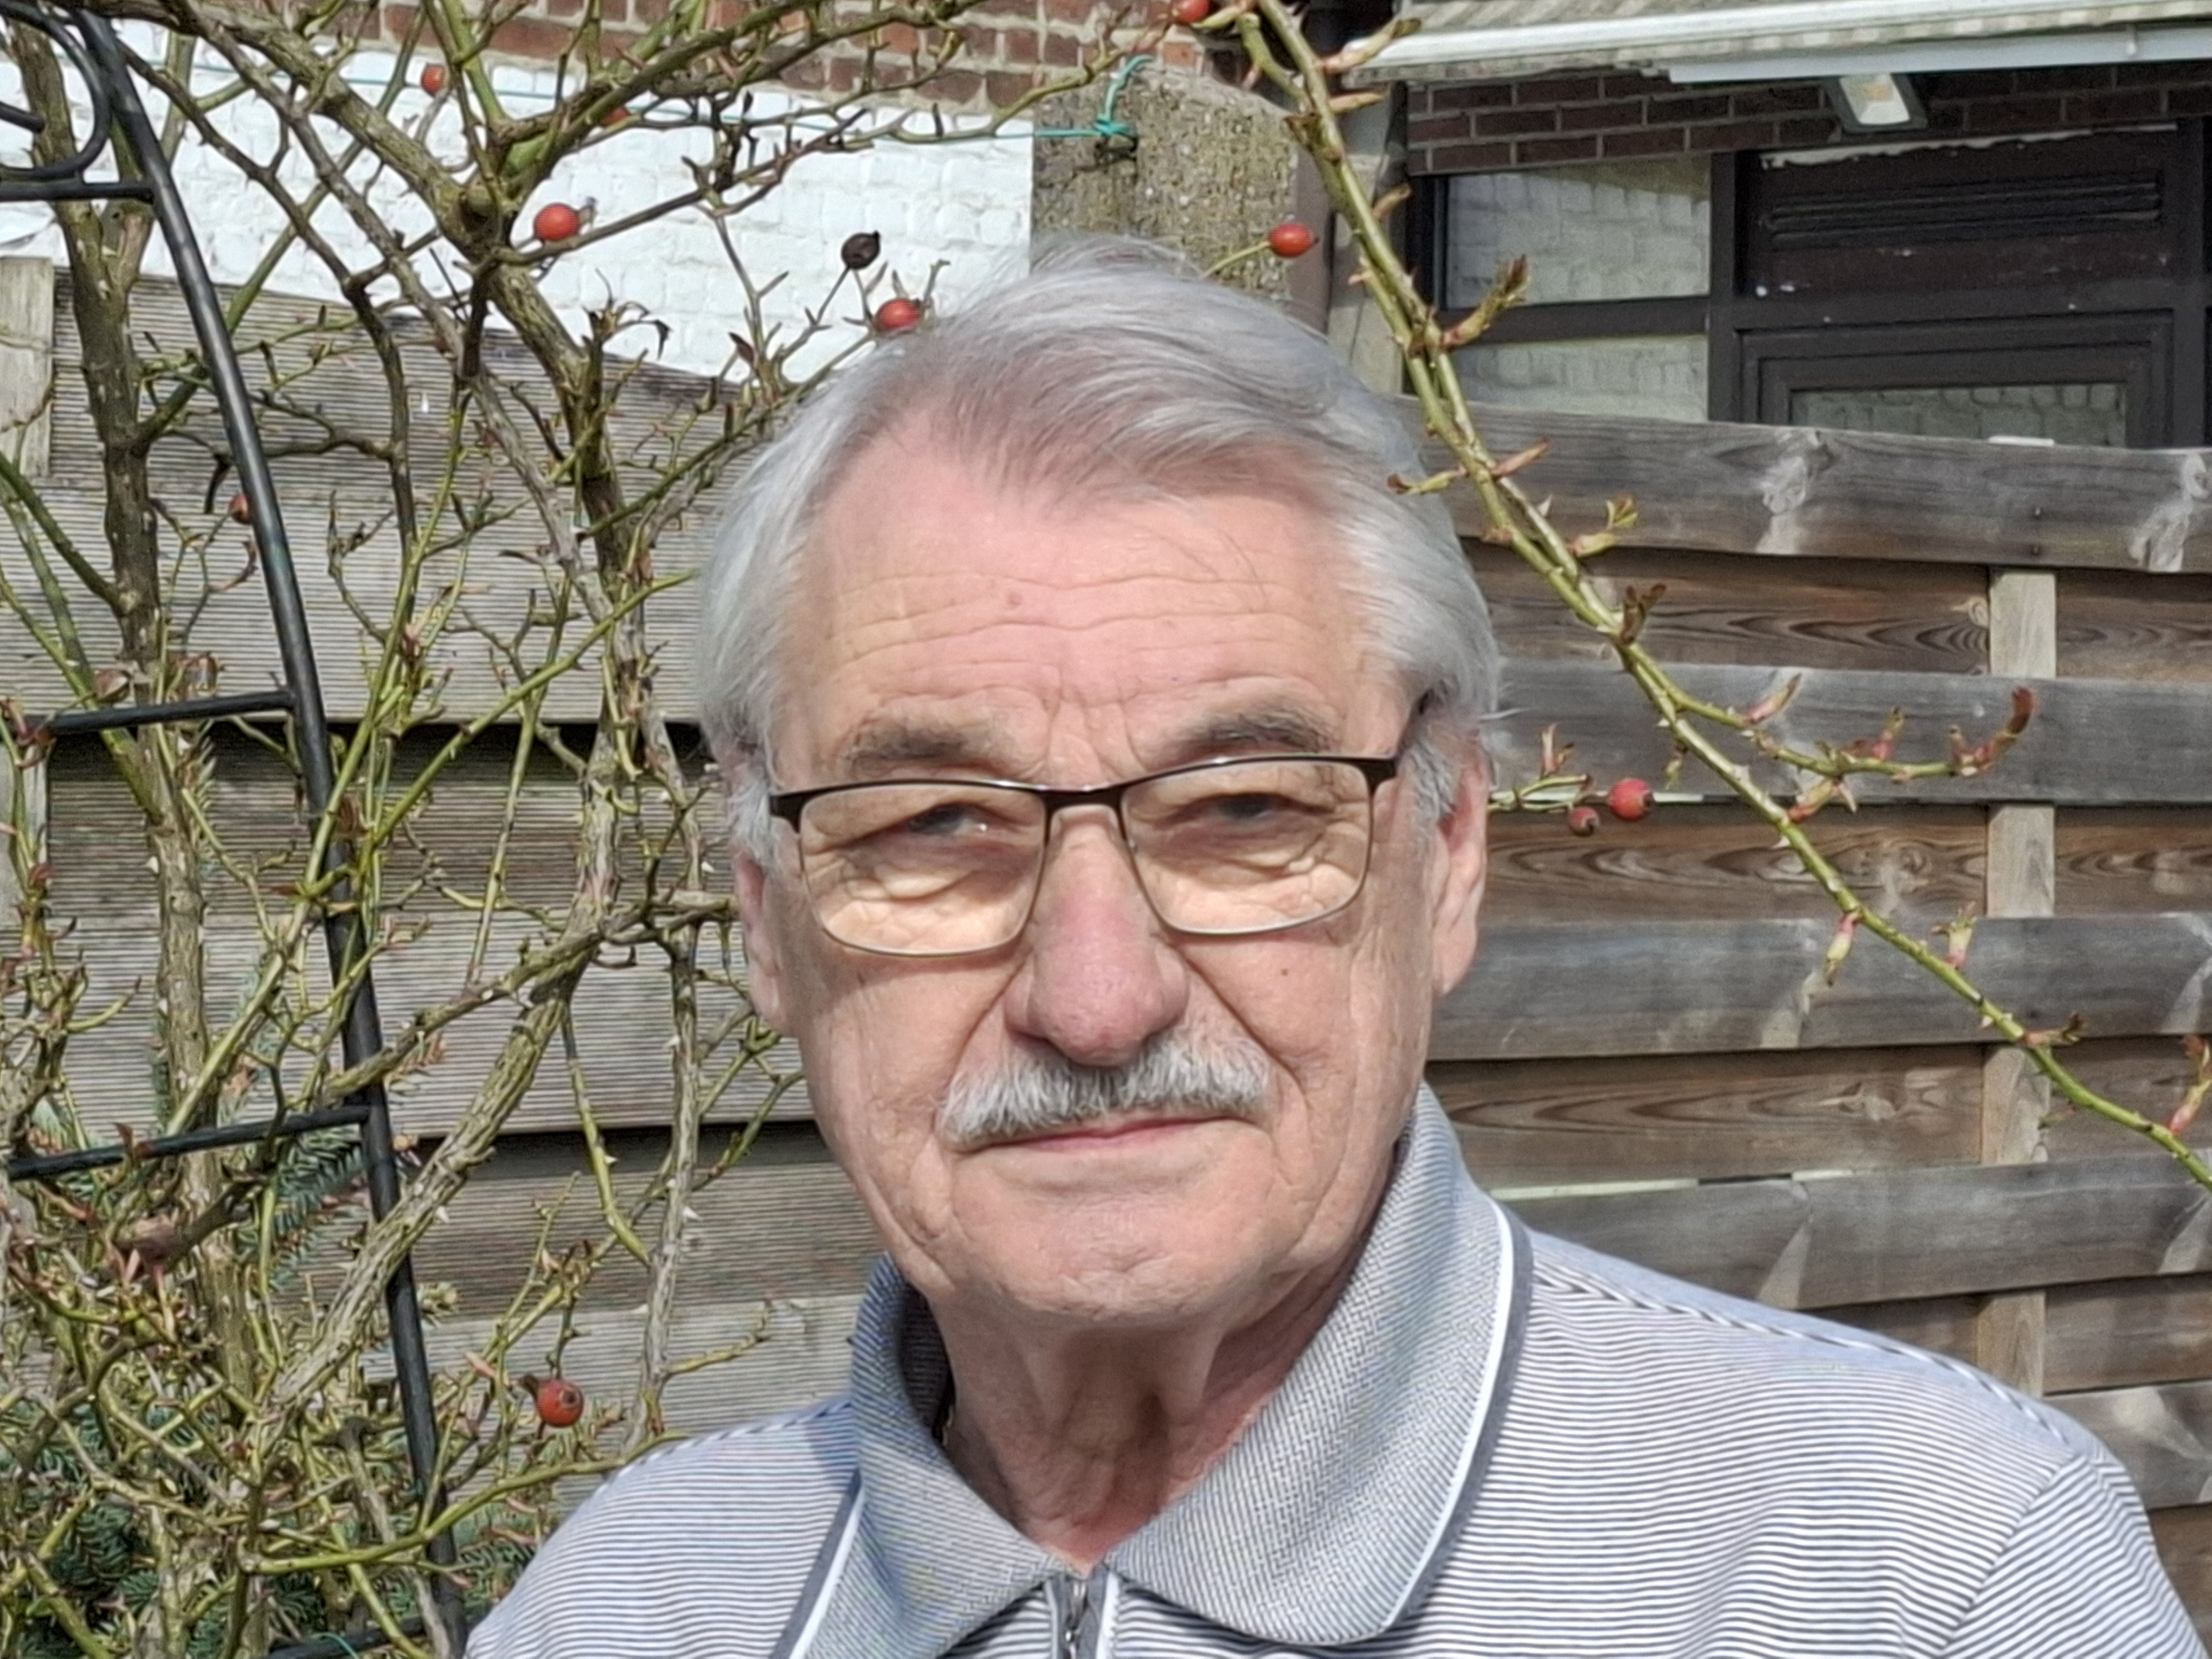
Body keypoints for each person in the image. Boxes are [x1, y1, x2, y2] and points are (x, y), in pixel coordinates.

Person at [467, 242, 2202, 1657]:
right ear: (767, 920)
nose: (1096, 997)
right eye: (931, 825)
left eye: (1241, 810)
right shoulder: (622, 1607)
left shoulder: (1924, 1576)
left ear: (1450, 860)